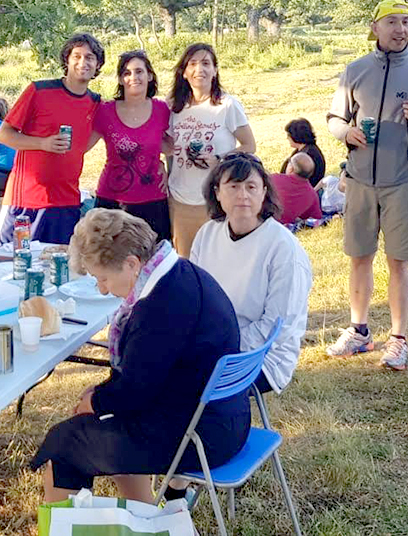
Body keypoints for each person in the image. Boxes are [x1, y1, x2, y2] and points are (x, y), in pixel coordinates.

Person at [31, 208, 249, 504]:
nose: (103, 289)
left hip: (201, 436)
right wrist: (101, 398)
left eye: (104, 278)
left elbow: (133, 393)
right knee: (104, 422)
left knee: (66, 447)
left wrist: (95, 400)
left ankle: (76, 524)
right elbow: (142, 378)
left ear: (132, 264)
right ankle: (145, 517)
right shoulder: (180, 273)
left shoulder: (160, 306)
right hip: (221, 418)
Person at [325, 0, 408, 371]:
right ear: (375, 28)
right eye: (392, 22)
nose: (401, 30)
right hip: (359, 180)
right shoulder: (356, 71)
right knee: (359, 256)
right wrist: (348, 132)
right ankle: (359, 331)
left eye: (406, 22)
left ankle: (398, 339)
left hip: (403, 180)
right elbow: (333, 118)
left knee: (399, 261)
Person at [190, 153, 313, 394]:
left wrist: (217, 347)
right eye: (233, 186)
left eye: (251, 186)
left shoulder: (283, 247)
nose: (243, 195)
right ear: (217, 191)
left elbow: (278, 327)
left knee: (182, 383)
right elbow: (195, 299)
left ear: (264, 191)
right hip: (211, 343)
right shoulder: (207, 234)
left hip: (263, 356)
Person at [0, 33, 104, 248]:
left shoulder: (95, 103)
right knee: (9, 266)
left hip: (66, 203)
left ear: (97, 64)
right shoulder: (39, 91)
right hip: (25, 201)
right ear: (67, 60)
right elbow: (3, 134)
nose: (83, 62)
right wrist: (42, 144)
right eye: (77, 56)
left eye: (90, 57)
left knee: (59, 271)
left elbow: (84, 144)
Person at [167, 43, 256, 257]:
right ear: (184, 72)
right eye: (193, 64)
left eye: (206, 63)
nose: (200, 70)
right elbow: (169, 150)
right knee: (186, 263)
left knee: (218, 261)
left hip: (217, 199)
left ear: (215, 71)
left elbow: (249, 146)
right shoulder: (173, 107)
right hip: (180, 200)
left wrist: (219, 160)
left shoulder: (227, 105)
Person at [88, 50, 172, 240]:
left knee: (153, 263)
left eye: (139, 71)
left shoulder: (162, 110)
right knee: (106, 261)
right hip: (111, 202)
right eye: (127, 73)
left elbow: (172, 146)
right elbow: (80, 148)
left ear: (150, 75)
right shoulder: (105, 111)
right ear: (119, 79)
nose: (133, 77)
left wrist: (166, 169)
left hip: (153, 201)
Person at [270, 152, 323, 225]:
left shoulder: (274, 179)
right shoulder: (312, 195)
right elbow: (316, 218)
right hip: (281, 228)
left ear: (291, 168)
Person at [279, 118, 325, 187]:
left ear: (295, 136)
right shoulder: (305, 149)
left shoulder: (307, 155)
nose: (287, 138)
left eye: (289, 135)